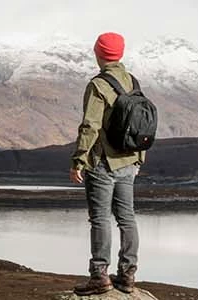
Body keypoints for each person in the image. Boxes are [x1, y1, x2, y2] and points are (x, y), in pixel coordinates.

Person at [69, 32, 148, 296]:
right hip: (130, 161)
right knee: (127, 218)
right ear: (120, 53)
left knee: (100, 218)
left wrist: (79, 159)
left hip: (103, 163)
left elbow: (90, 126)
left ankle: (99, 276)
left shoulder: (98, 84)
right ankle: (127, 275)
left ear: (98, 52)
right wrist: (139, 158)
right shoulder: (132, 81)